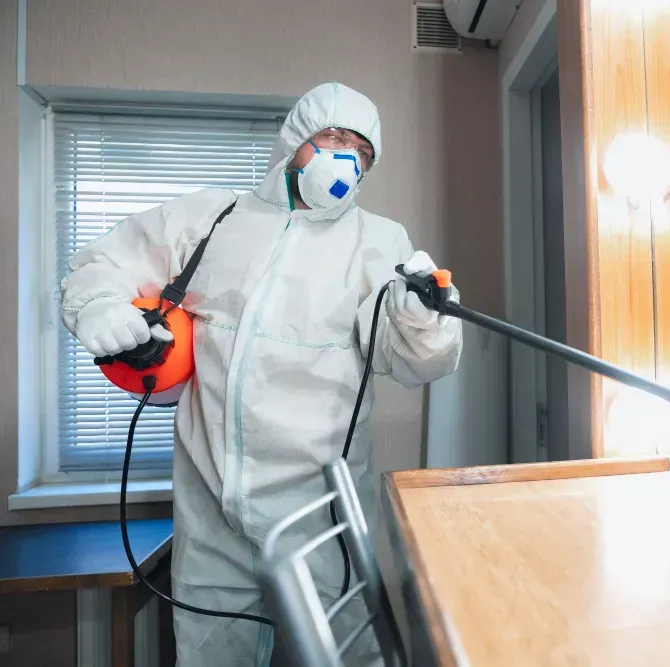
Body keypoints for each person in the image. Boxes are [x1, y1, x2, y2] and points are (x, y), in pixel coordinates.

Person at [61, 82, 462, 666]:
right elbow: (104, 261)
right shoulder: (212, 218)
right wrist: (98, 306)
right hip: (209, 516)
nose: (345, 156)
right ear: (296, 138)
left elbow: (412, 363)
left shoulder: (378, 241)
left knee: (342, 657)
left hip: (316, 520)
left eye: (362, 150)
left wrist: (423, 317)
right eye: (332, 136)